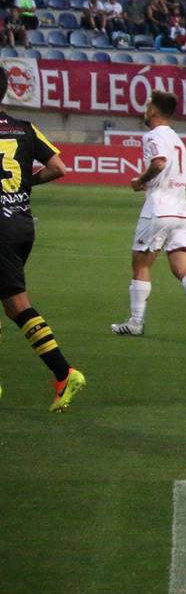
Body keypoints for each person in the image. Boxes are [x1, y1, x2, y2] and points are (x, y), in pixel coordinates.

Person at [0, 82, 86, 411]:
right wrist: (24, 183)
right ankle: (63, 376)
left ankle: (65, 372)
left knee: (19, 305)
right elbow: (58, 168)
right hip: (21, 224)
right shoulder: (24, 128)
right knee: (13, 305)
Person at [110, 93, 186, 340]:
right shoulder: (178, 140)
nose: (145, 110)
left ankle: (136, 323)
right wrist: (161, 182)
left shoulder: (153, 136)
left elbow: (158, 163)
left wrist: (140, 181)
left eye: (147, 106)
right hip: (182, 213)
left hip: (159, 210)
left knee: (141, 264)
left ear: (154, 111)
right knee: (181, 266)